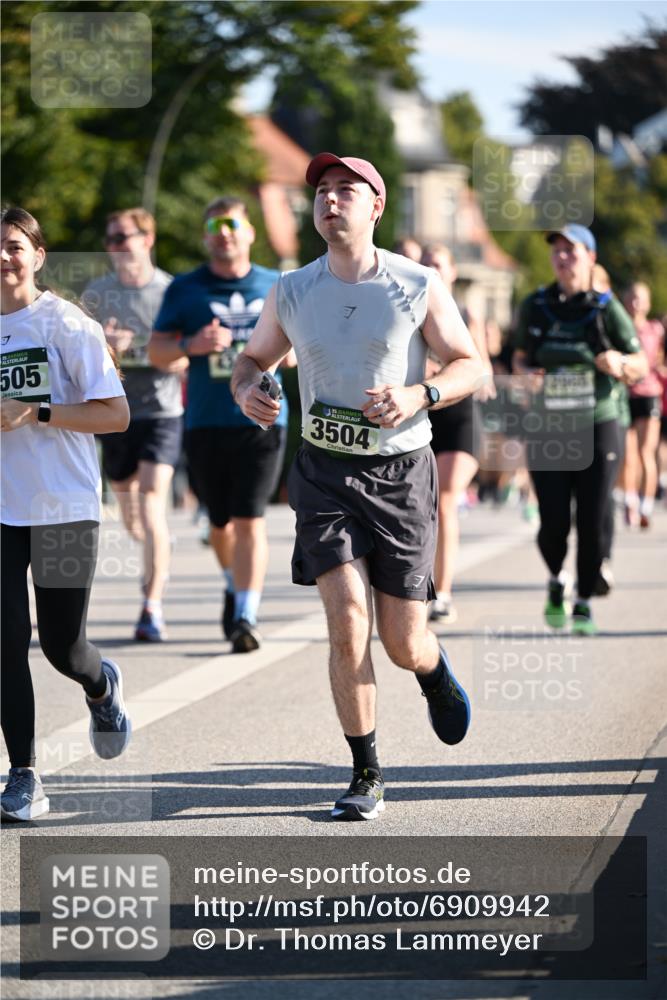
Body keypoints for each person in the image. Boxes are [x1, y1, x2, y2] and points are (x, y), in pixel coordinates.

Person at [232, 153, 483, 820]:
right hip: (323, 473)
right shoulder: (291, 289)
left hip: (400, 474)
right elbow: (254, 358)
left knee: (401, 641)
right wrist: (249, 387)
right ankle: (365, 770)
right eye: (321, 191)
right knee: (346, 623)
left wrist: (419, 393)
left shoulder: (416, 283)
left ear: (374, 207)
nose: (329, 200)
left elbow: (469, 364)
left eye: (345, 190)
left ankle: (431, 670)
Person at [1, 207, 131, 822]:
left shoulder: (66, 325)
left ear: (37, 255)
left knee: (61, 645)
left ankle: (100, 685)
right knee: (4, 644)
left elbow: (115, 415)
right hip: (2, 510)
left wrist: (39, 412)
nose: (4, 258)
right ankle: (24, 775)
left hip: (62, 506)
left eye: (13, 246)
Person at [149, 197, 289, 652]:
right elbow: (156, 352)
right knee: (219, 526)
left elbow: (306, 345)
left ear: (249, 232)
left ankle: (246, 613)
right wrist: (193, 343)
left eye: (232, 224)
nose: (223, 233)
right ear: (206, 236)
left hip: (262, 421)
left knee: (251, 520)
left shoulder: (277, 285)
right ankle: (235, 581)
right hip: (206, 422)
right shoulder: (186, 289)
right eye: (214, 226)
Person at [512, 224, 647, 636]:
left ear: (590, 257)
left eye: (571, 250)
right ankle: (557, 578)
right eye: (556, 250)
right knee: (553, 523)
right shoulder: (535, 304)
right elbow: (519, 358)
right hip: (549, 427)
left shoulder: (607, 308)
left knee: (591, 517)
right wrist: (525, 375)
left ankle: (584, 601)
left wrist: (619, 365)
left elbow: (640, 363)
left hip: (597, 423)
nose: (562, 257)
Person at [83, 208, 184, 642]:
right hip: (116, 414)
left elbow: (183, 355)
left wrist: (136, 347)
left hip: (162, 412)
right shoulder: (96, 293)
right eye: (110, 239)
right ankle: (154, 551)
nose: (116, 246)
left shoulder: (172, 291)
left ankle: (152, 606)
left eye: (123, 237)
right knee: (132, 517)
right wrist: (106, 349)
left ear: (147, 238)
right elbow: (80, 358)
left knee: (149, 503)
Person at [420, 243, 495, 624]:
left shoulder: (466, 313)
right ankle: (419, 582)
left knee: (445, 498)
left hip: (461, 416)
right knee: (424, 505)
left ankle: (443, 592)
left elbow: (480, 368)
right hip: (423, 417)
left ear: (451, 271)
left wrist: (473, 377)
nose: (431, 269)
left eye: (438, 264)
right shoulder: (411, 310)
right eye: (425, 264)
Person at [619, 282, 664, 530]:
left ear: (647, 303)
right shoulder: (621, 327)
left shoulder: (656, 329)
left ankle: (646, 504)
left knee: (647, 451)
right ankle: (630, 501)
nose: (636, 303)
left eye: (640, 298)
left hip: (649, 393)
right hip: (626, 393)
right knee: (628, 454)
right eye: (632, 297)